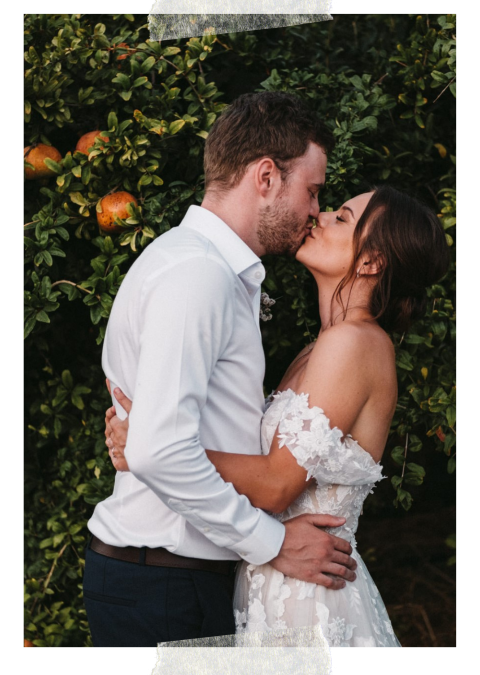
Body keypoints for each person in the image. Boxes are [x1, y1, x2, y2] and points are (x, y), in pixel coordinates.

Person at [105, 185, 450, 648]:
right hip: (273, 585)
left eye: (342, 218)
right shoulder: (320, 347)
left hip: (309, 602)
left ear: (372, 262)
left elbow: (275, 484)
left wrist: (148, 444)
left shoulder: (356, 344)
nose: (321, 216)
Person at [83, 91, 359, 650]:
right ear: (265, 176)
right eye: (312, 191)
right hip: (165, 587)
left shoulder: (205, 269)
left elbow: (164, 441)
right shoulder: (198, 276)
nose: (313, 210)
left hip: (170, 581)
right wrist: (272, 542)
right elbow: (162, 452)